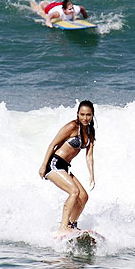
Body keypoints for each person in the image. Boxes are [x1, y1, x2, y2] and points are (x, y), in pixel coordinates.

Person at [39, 100, 96, 235]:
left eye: (88, 115)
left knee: (83, 197)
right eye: (82, 114)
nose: (85, 118)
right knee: (74, 192)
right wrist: (43, 165)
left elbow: (89, 155)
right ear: (77, 114)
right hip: (53, 164)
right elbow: (53, 144)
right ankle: (63, 227)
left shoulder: (90, 131)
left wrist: (92, 175)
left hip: (64, 167)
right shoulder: (72, 126)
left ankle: (72, 224)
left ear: (92, 115)